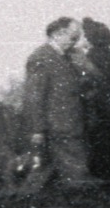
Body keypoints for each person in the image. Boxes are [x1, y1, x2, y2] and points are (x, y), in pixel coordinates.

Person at [22, 17, 86, 182]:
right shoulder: (41, 58)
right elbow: (35, 96)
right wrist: (38, 129)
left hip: (68, 125)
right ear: (58, 34)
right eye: (73, 37)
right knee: (75, 175)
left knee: (52, 177)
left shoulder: (66, 57)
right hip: (58, 128)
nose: (75, 42)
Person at [74, 18, 110, 180]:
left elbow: (84, 83)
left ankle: (103, 179)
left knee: (99, 146)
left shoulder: (90, 57)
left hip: (97, 108)